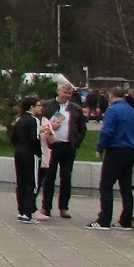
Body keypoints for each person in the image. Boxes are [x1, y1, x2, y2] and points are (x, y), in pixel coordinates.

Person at [88, 86, 134, 229]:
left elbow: (107, 132)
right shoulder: (133, 111)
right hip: (130, 151)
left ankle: (104, 219)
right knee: (126, 187)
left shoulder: (113, 110)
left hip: (116, 150)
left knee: (106, 185)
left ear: (111, 95)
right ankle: (126, 220)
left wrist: (100, 148)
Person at [39, 83, 85, 218]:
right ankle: (46, 207)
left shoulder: (75, 109)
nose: (67, 96)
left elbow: (82, 127)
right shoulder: (48, 106)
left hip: (68, 146)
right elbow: (40, 123)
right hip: (52, 146)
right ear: (58, 92)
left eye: (69, 94)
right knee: (49, 177)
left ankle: (64, 207)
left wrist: (77, 141)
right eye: (64, 93)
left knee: (66, 177)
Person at [10, 96, 42, 223]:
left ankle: (21, 210)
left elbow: (13, 138)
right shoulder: (34, 120)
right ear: (31, 107)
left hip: (19, 151)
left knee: (21, 181)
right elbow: (35, 138)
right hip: (30, 153)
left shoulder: (19, 120)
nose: (40, 108)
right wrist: (39, 153)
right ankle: (28, 213)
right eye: (38, 105)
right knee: (32, 182)